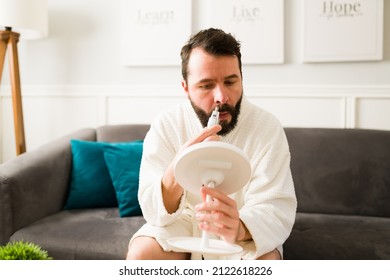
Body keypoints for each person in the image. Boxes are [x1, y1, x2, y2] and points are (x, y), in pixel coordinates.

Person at [126, 28, 297, 260]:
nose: (222, 97)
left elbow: (275, 206)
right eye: (206, 86)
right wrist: (177, 169)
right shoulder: (166, 124)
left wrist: (239, 228)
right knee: (142, 254)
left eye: (230, 82)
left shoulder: (267, 127)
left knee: (267, 262)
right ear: (185, 87)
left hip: (245, 228)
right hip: (184, 222)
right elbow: (152, 210)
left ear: (242, 79)